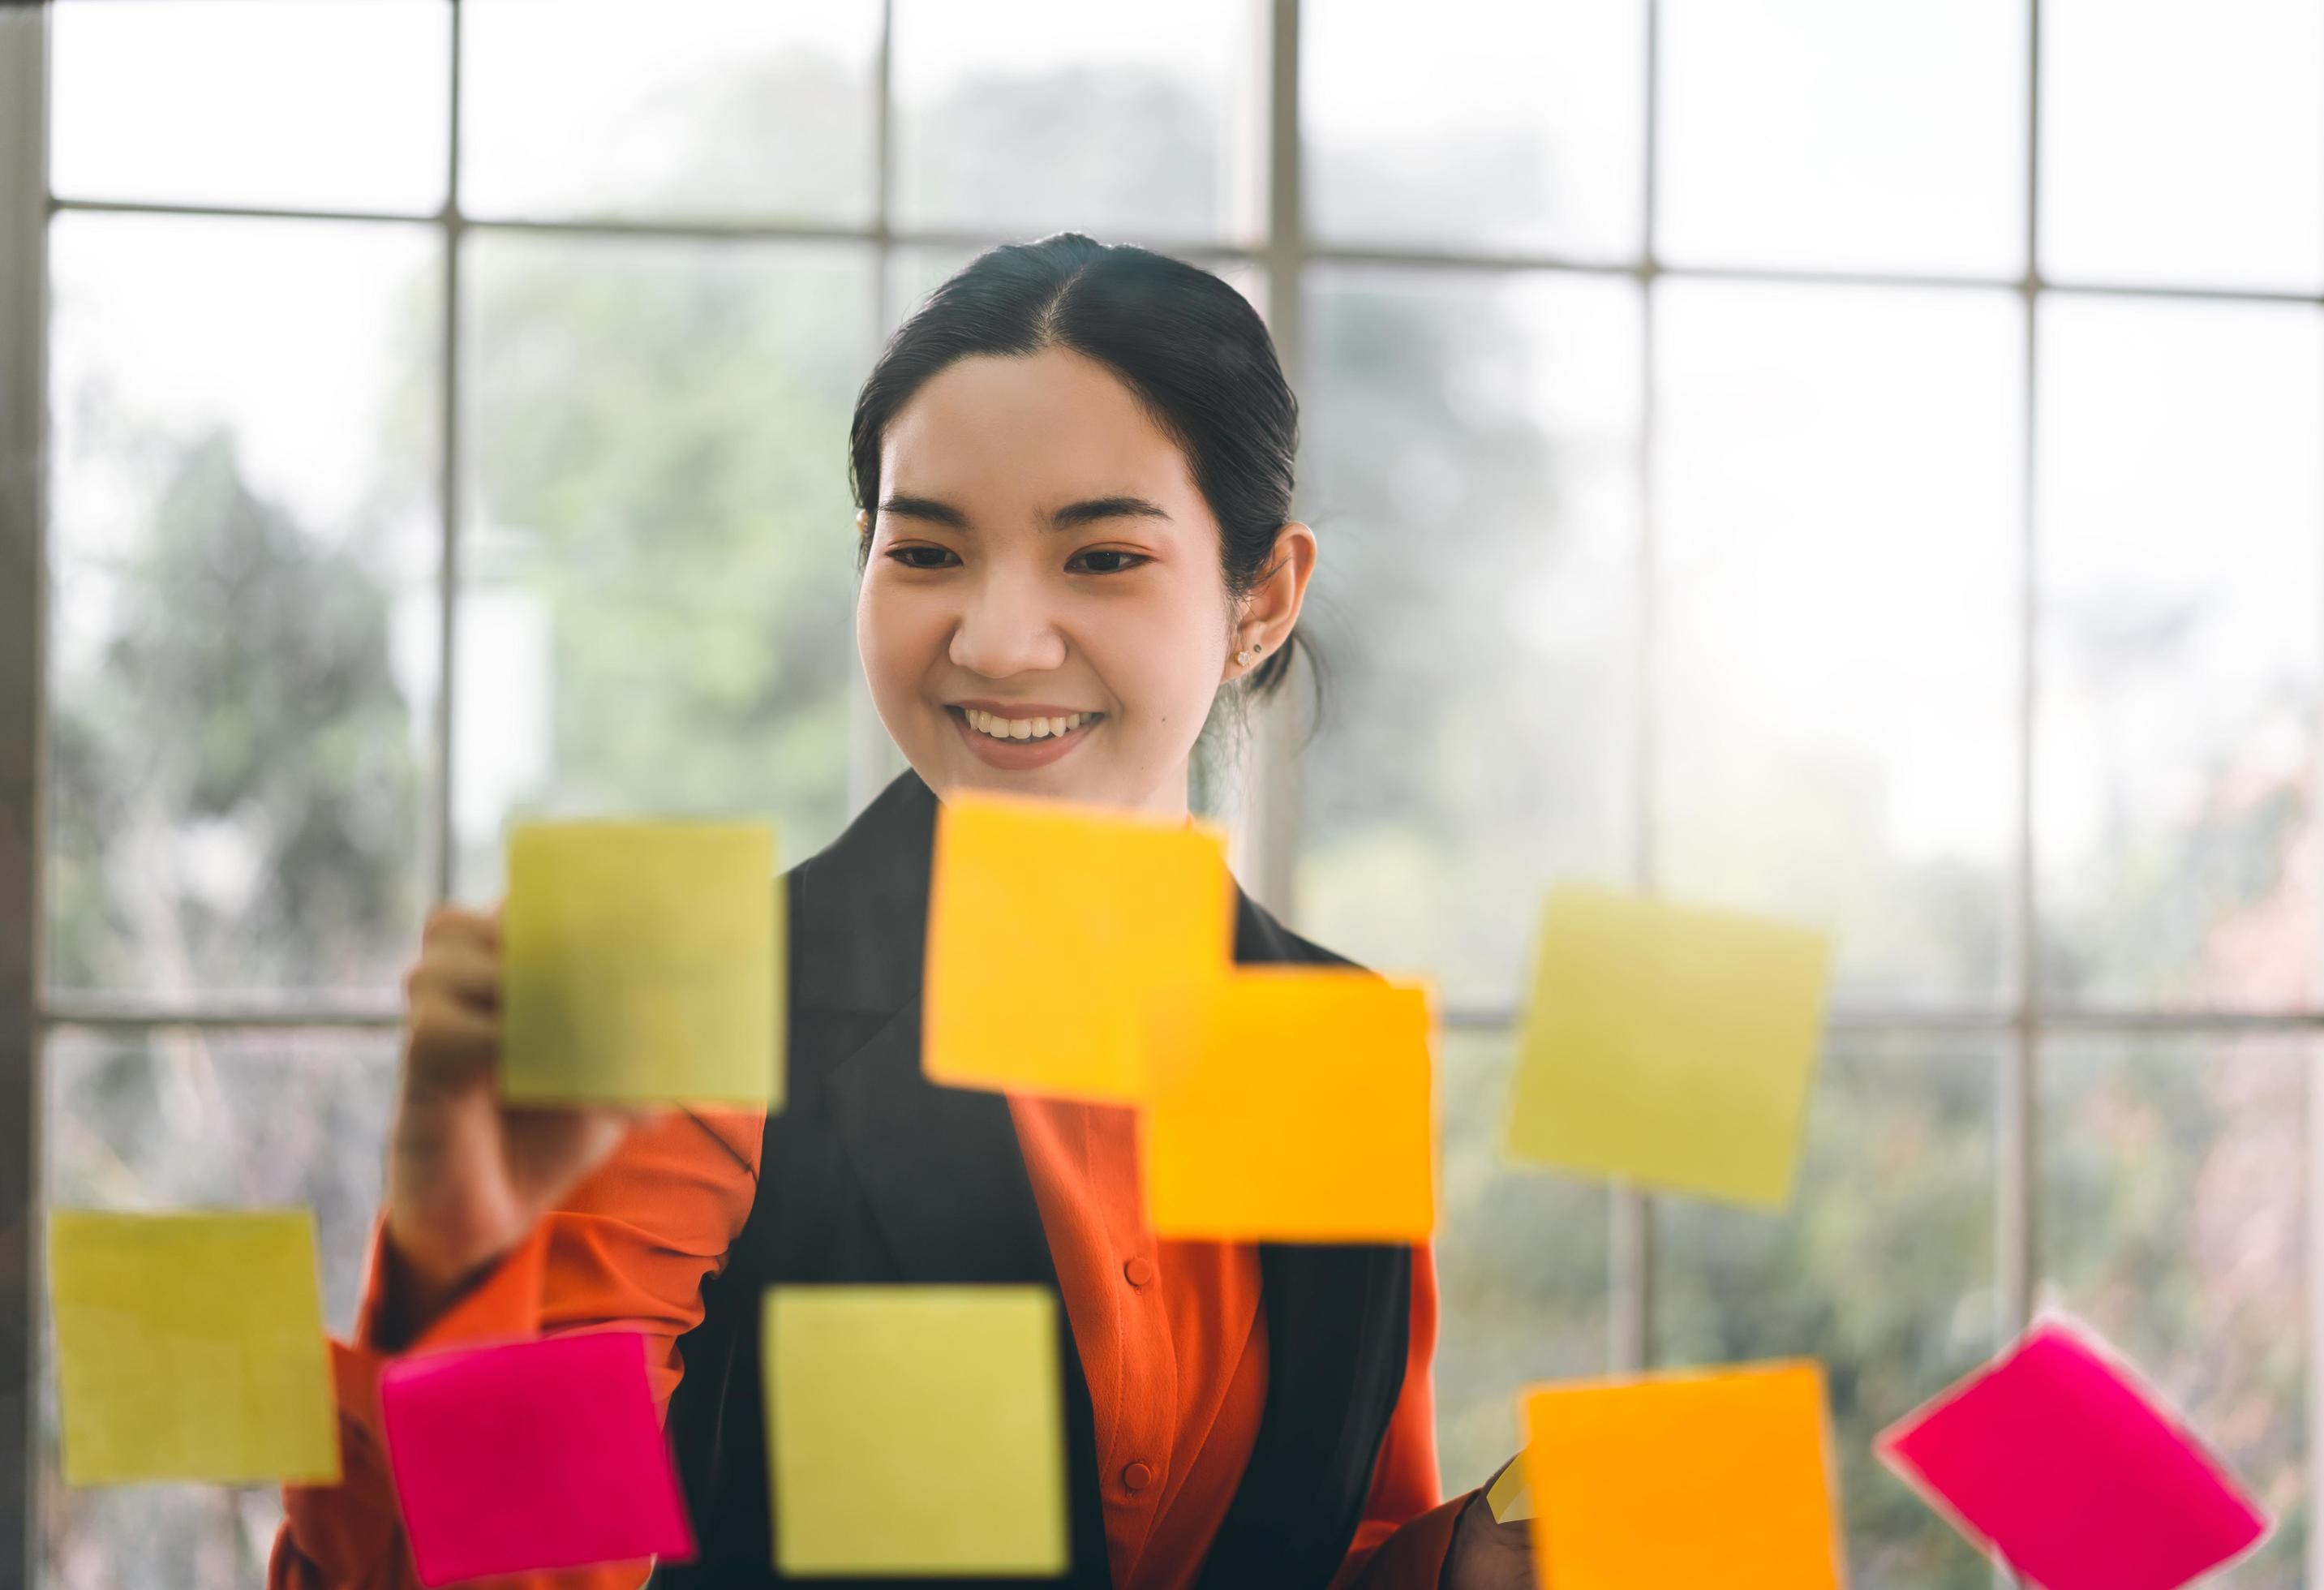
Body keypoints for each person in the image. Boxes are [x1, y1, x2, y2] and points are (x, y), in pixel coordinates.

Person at [268, 233, 1534, 1589]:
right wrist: (456, 1269)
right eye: (925, 550)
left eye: (1100, 557)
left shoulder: (1325, 1045)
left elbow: (1317, 1546)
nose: (995, 640)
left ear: (1260, 599)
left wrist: (1483, 1558)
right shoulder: (700, 1014)